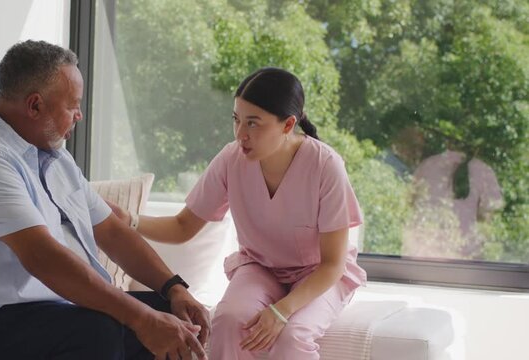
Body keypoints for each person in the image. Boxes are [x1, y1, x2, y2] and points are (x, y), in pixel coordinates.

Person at [0, 40, 209, 360]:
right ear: (35, 106)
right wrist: (140, 318)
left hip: (47, 312)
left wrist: (174, 288)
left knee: (174, 317)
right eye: (73, 105)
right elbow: (43, 257)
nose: (79, 116)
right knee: (102, 329)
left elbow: (112, 231)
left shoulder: (52, 154)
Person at [108, 67, 366, 360]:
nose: (241, 134)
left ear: (287, 124)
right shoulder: (232, 159)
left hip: (318, 274)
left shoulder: (325, 166)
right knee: (229, 321)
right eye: (237, 120)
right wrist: (130, 221)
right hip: (260, 268)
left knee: (293, 337)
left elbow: (332, 265)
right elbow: (183, 226)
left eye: (253, 123)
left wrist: (281, 311)